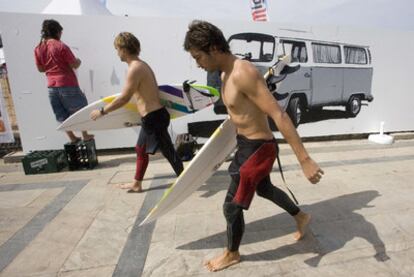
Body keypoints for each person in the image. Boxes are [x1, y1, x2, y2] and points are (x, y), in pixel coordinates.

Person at [184, 20, 324, 272]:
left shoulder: (242, 72)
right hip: (245, 144)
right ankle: (301, 217)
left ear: (214, 48)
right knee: (265, 189)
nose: (197, 63)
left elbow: (279, 115)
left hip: (259, 148)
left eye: (198, 57)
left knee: (231, 205)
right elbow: (240, 114)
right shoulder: (225, 74)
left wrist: (305, 159)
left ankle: (232, 253)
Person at [90, 32, 184, 192]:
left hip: (153, 117)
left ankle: (141, 183)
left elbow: (124, 98)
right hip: (155, 115)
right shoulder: (141, 65)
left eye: (117, 49)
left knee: (149, 149)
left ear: (124, 49)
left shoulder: (135, 68)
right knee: (162, 149)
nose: (117, 53)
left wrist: (102, 111)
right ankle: (181, 177)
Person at [34, 19, 94, 143]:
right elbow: (74, 64)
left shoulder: (38, 48)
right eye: (61, 32)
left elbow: (40, 69)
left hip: (51, 87)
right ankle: (85, 135)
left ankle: (72, 137)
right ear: (56, 32)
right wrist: (79, 60)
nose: (61, 34)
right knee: (80, 109)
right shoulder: (60, 46)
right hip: (67, 83)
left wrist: (51, 66)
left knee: (61, 114)